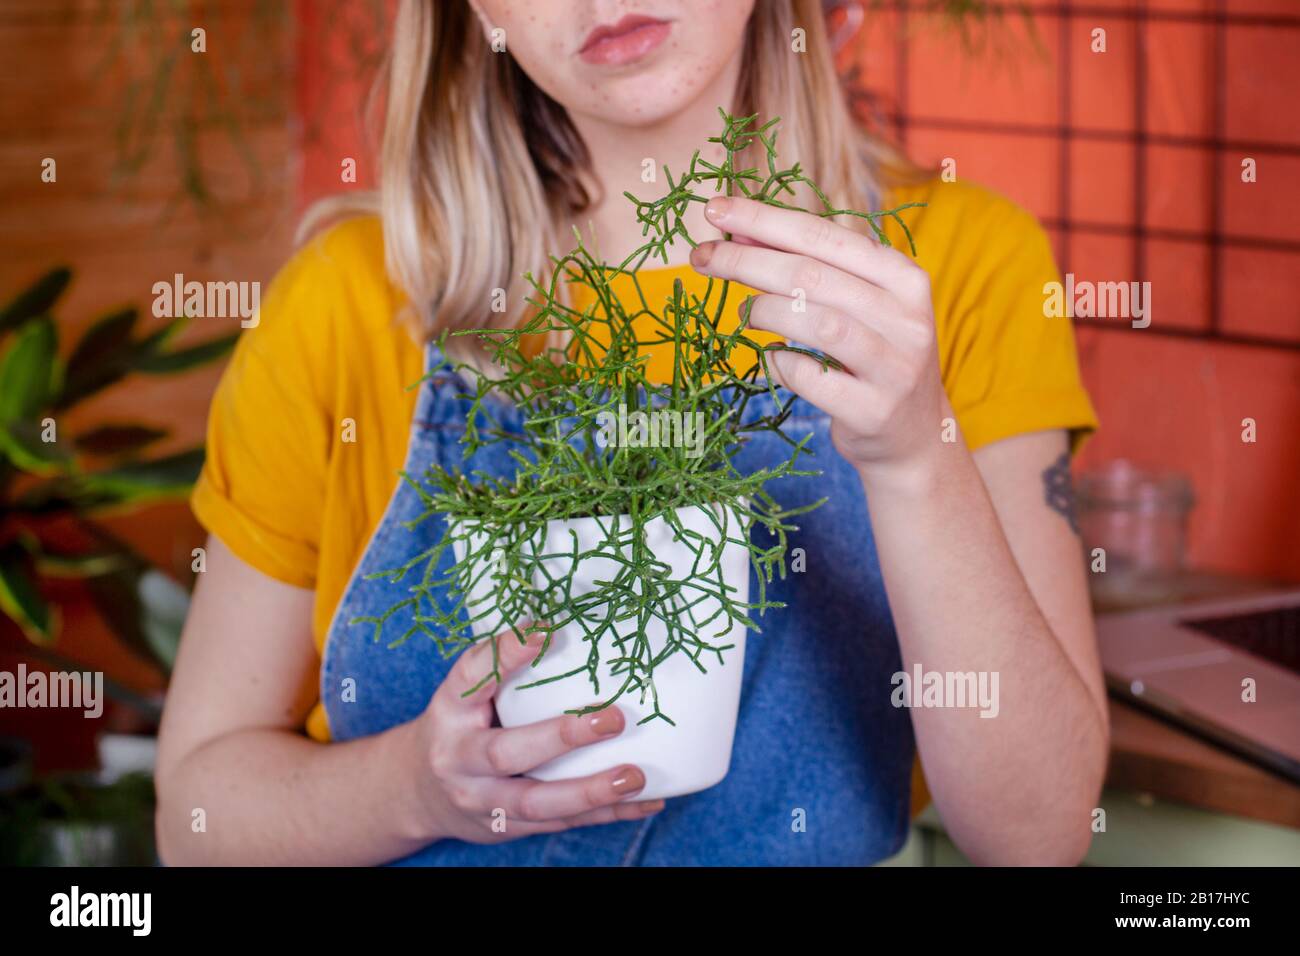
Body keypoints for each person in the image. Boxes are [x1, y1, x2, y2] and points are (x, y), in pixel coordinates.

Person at [156, 0, 1108, 866]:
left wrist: (915, 457)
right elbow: (197, 817)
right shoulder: (348, 299)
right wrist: (416, 789)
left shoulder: (957, 272)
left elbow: (1040, 836)